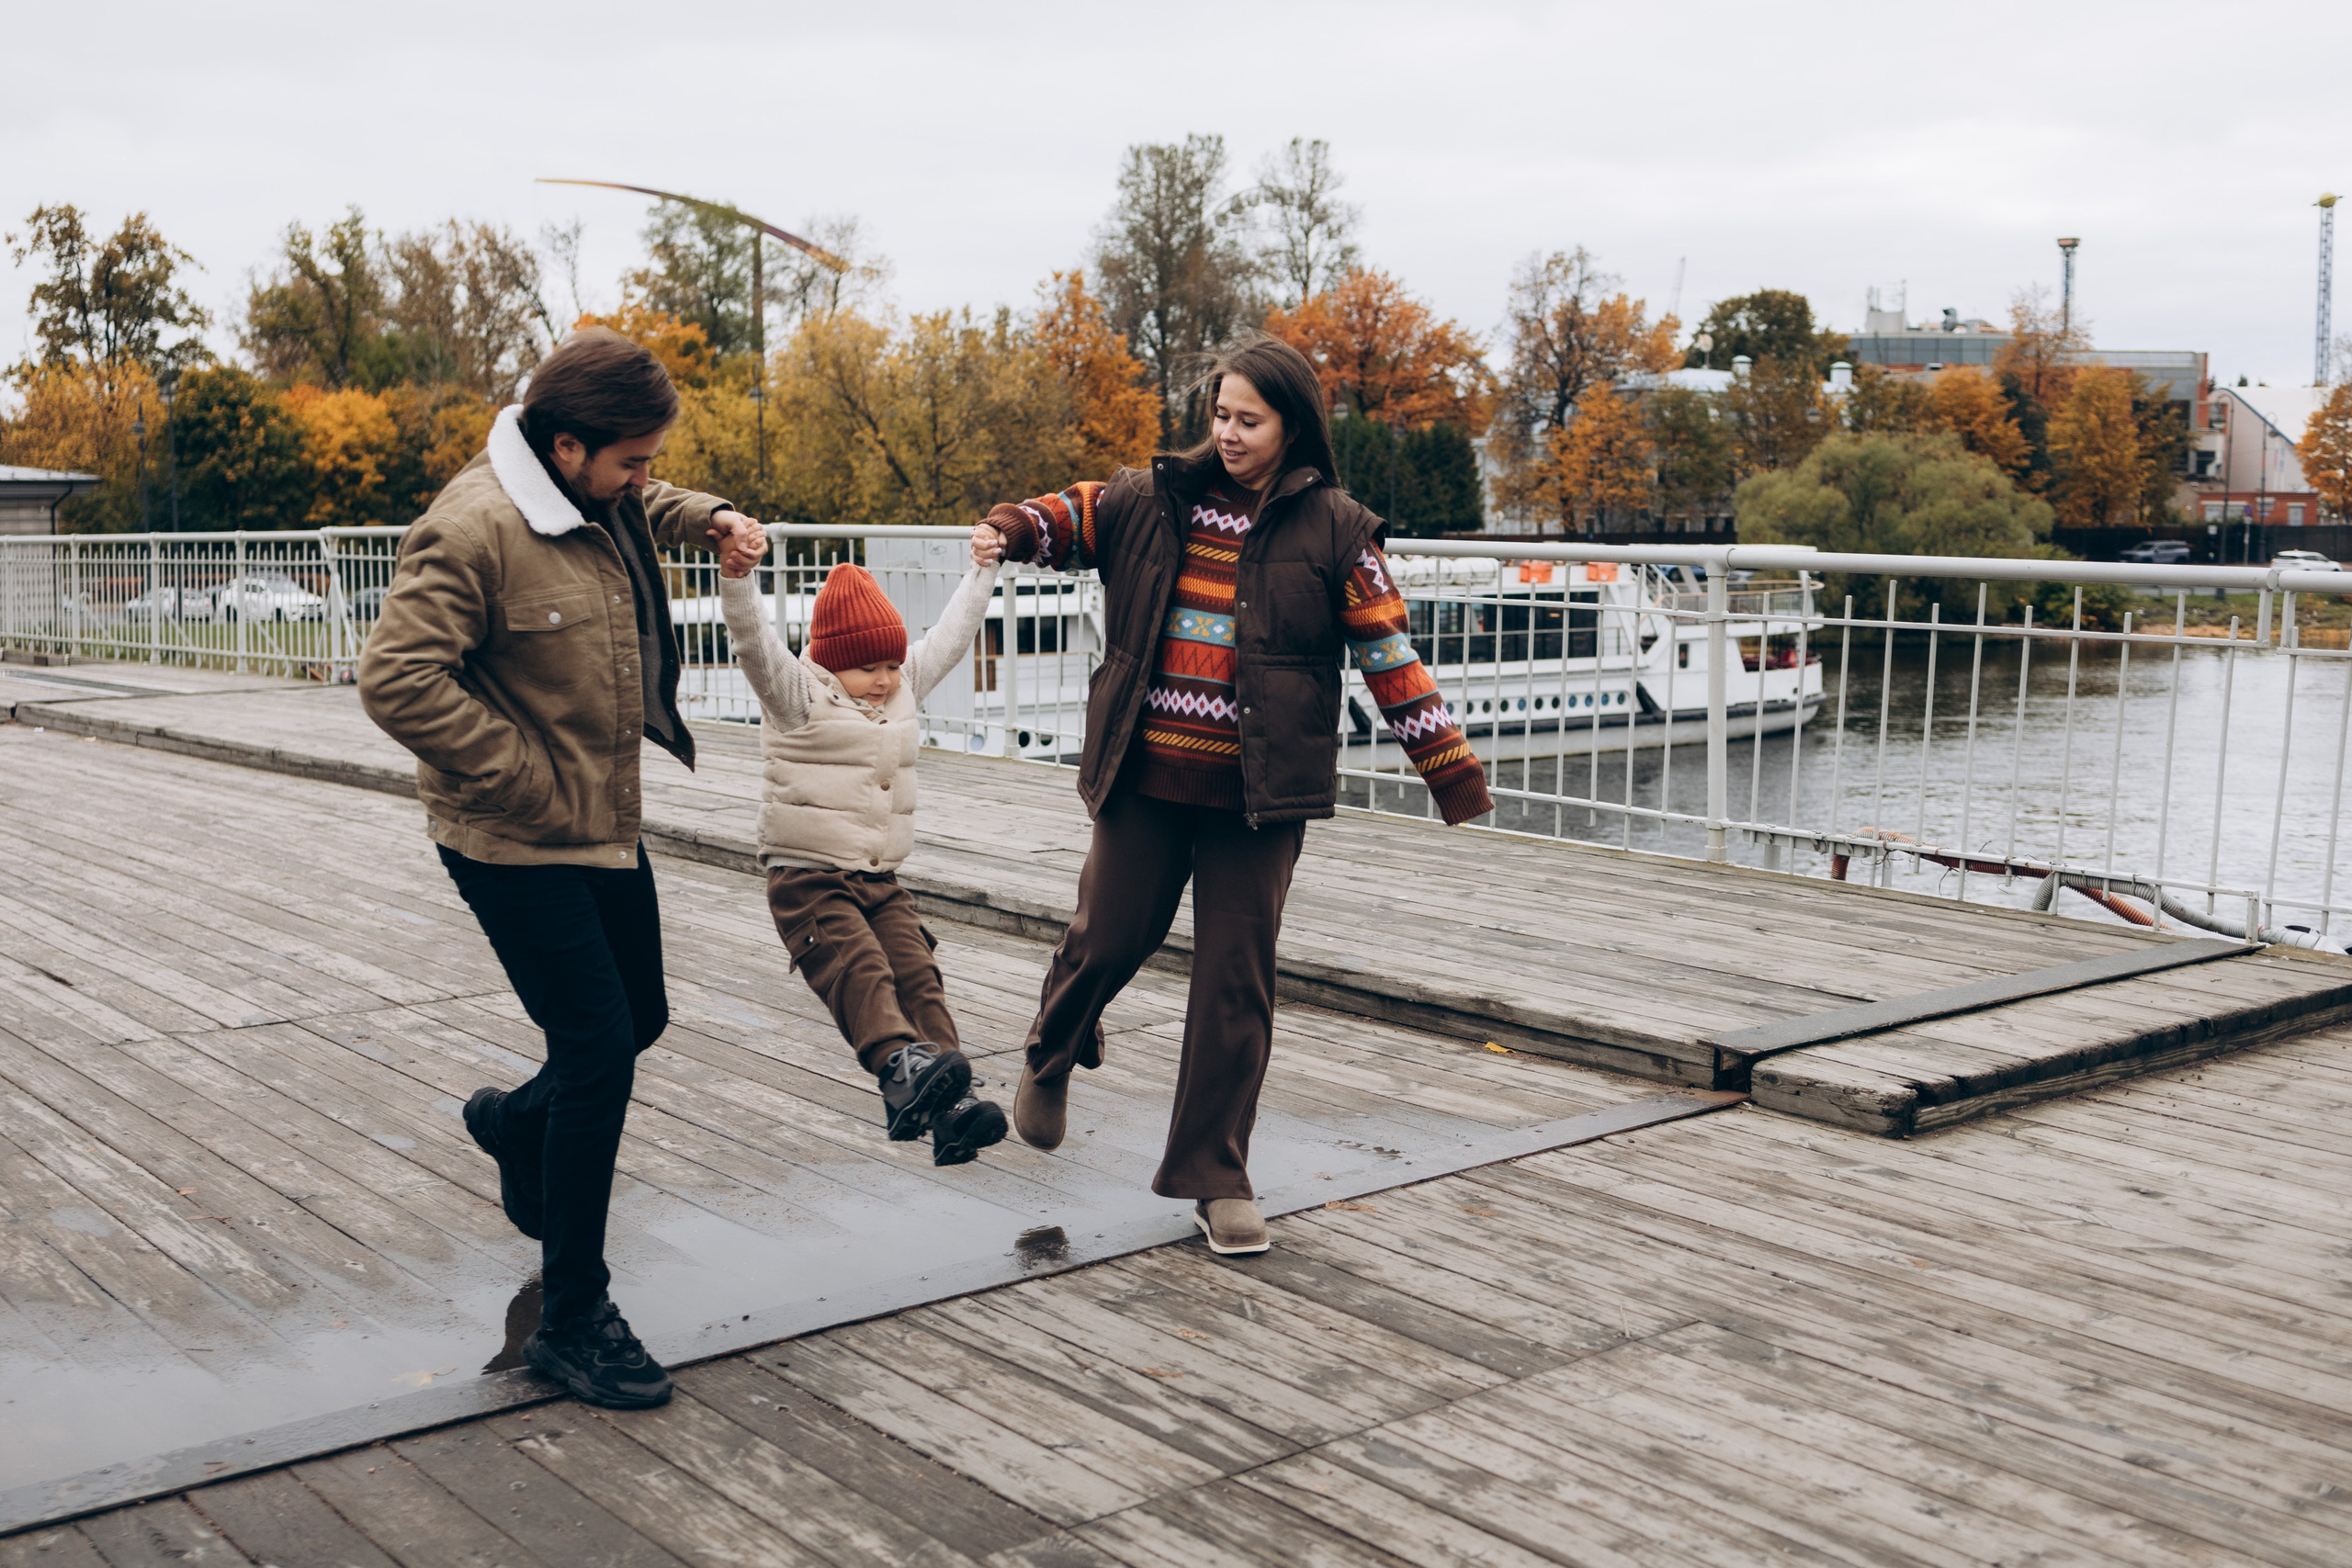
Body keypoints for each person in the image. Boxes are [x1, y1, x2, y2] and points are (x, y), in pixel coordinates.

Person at [972, 333, 1493, 1257]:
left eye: (1248, 419)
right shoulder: (1154, 498)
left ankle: (1216, 1177)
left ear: (1291, 426)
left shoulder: (1336, 529)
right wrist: (1012, 528)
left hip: (1261, 797)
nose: (1229, 434)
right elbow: (1072, 513)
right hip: (1145, 777)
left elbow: (1389, 657)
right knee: (1107, 938)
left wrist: (1449, 771)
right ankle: (1052, 1048)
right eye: (1220, 415)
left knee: (1234, 981)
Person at [358, 328, 764, 1409]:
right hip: (508, 835)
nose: (643, 481)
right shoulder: (476, 529)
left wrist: (709, 515)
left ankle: (511, 1120)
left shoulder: (590, 486)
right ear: (570, 446)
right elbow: (396, 679)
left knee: (639, 1019)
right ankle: (574, 1317)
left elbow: (653, 497)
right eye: (630, 462)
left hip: (603, 821)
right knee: (597, 1052)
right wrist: (521, 776)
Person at [714, 543, 1010, 1162]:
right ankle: (898, 1068)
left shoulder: (899, 687)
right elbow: (753, 644)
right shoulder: (795, 695)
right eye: (869, 667)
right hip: (807, 879)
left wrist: (983, 570)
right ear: (833, 662)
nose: (884, 678)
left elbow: (952, 637)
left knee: (918, 973)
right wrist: (738, 580)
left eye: (892, 665)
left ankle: (949, 1102)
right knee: (862, 969)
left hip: (880, 878)